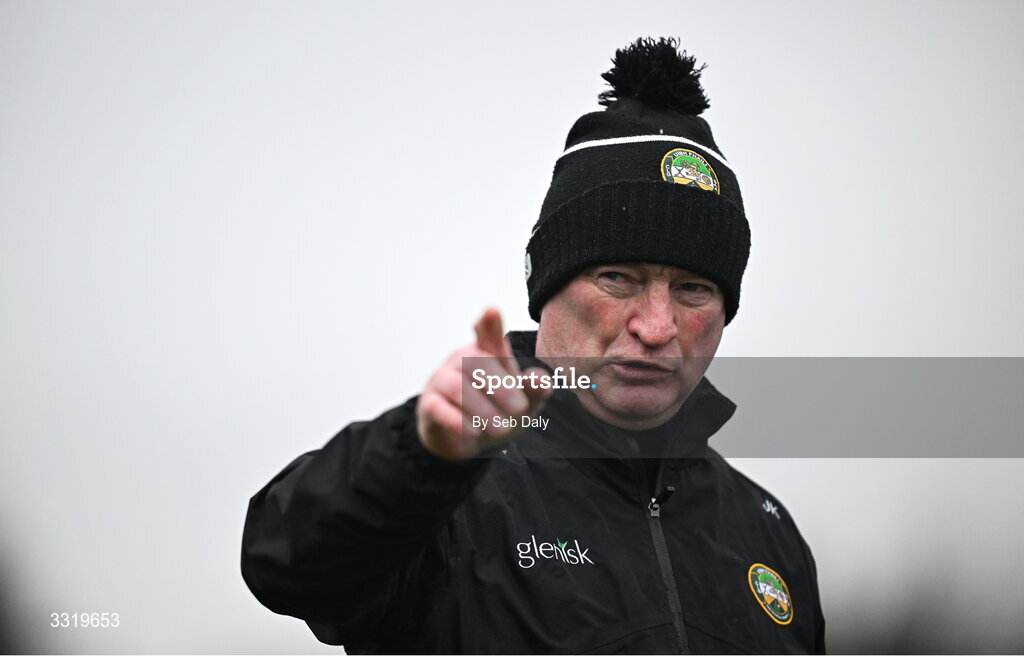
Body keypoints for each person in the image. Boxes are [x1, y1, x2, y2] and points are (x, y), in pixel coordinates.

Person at [241, 37, 825, 654]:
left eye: (693, 289)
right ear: (545, 289)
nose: (657, 327)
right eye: (617, 278)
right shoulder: (441, 494)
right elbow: (283, 560)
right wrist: (419, 453)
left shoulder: (771, 537)